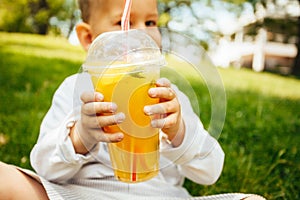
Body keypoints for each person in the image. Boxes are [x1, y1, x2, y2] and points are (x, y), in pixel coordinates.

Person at [0, 0, 265, 199]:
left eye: (150, 23)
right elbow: (45, 166)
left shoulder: (170, 99)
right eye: (123, 23)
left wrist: (179, 131)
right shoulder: (73, 91)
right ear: (89, 38)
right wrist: (81, 136)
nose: (144, 34)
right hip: (82, 195)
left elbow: (211, 171)